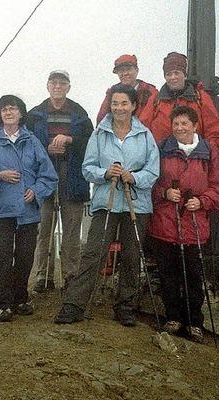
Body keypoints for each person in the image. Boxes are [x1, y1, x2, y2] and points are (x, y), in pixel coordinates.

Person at [54, 84, 159, 326]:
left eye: (124, 103)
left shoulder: (145, 135)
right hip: (106, 203)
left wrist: (134, 177)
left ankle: (126, 307)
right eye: (115, 103)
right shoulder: (99, 134)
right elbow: (87, 168)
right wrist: (105, 173)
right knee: (94, 253)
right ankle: (74, 305)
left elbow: (153, 172)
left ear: (133, 106)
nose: (119, 108)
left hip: (137, 205)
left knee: (132, 257)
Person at [0, 95, 58, 322]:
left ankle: (20, 298)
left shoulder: (32, 141)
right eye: (5, 109)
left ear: (21, 114)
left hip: (28, 211)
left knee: (24, 256)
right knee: (1, 256)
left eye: (13, 109)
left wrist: (37, 191)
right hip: (0, 210)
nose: (9, 112)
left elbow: (48, 175)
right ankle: (4, 304)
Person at [149, 106, 219, 342]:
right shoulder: (162, 149)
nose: (179, 128)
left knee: (193, 277)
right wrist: (164, 194)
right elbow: (150, 181)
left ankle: (194, 321)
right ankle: (173, 317)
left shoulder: (210, 153)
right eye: (176, 124)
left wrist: (202, 201)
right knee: (168, 274)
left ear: (195, 126)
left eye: (185, 123)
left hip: (194, 225)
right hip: (164, 224)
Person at [27, 70, 93, 293]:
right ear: (47, 86)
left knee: (72, 230)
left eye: (62, 82)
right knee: (44, 228)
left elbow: (90, 144)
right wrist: (45, 148)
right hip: (43, 177)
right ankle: (43, 277)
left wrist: (70, 140)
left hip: (73, 176)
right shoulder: (34, 114)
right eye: (53, 82)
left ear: (68, 87)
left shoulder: (80, 114)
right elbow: (26, 144)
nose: (57, 86)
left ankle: (70, 276)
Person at [139, 52, 219, 151]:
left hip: (194, 159)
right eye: (168, 74)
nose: (173, 77)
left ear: (184, 74)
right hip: (161, 158)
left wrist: (209, 153)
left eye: (176, 73)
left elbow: (214, 130)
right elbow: (142, 130)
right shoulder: (155, 100)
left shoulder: (200, 98)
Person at [96, 54, 157, 125]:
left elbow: (148, 120)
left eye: (128, 69)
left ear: (137, 70)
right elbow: (101, 119)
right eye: (121, 71)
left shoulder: (150, 92)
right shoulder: (112, 93)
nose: (124, 73)